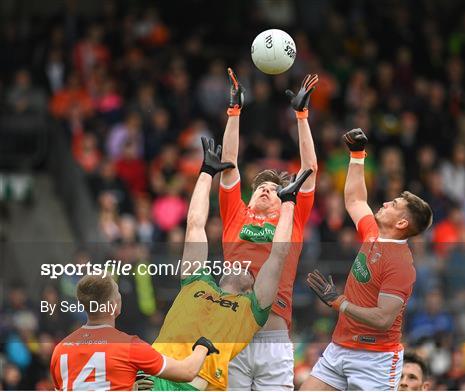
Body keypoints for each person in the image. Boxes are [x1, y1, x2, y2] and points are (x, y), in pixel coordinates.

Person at [150, 137, 312, 391]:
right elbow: (194, 225)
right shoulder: (196, 281)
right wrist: (206, 173)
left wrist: (289, 203)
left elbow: (278, 256)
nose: (244, 267)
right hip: (160, 372)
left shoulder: (250, 312)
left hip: (193, 379)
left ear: (252, 290)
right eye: (261, 187)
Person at [302, 129, 433, 391]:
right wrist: (357, 155)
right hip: (340, 346)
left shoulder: (401, 265)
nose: (385, 202)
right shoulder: (373, 232)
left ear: (402, 222)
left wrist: (339, 303)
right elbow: (354, 199)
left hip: (376, 359)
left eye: (394, 204)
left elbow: (383, 319)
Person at [220, 68, 318, 390]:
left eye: (273, 188)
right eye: (260, 186)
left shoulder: (292, 217)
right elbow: (229, 162)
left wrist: (301, 116)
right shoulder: (236, 214)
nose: (265, 189)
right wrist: (234, 113)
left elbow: (310, 171)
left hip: (274, 340)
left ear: (284, 199)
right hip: (232, 332)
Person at [49, 273, 218, 391]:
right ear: (114, 305)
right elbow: (187, 371)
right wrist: (203, 346)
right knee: (198, 383)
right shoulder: (129, 346)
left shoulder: (60, 350)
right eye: (117, 293)